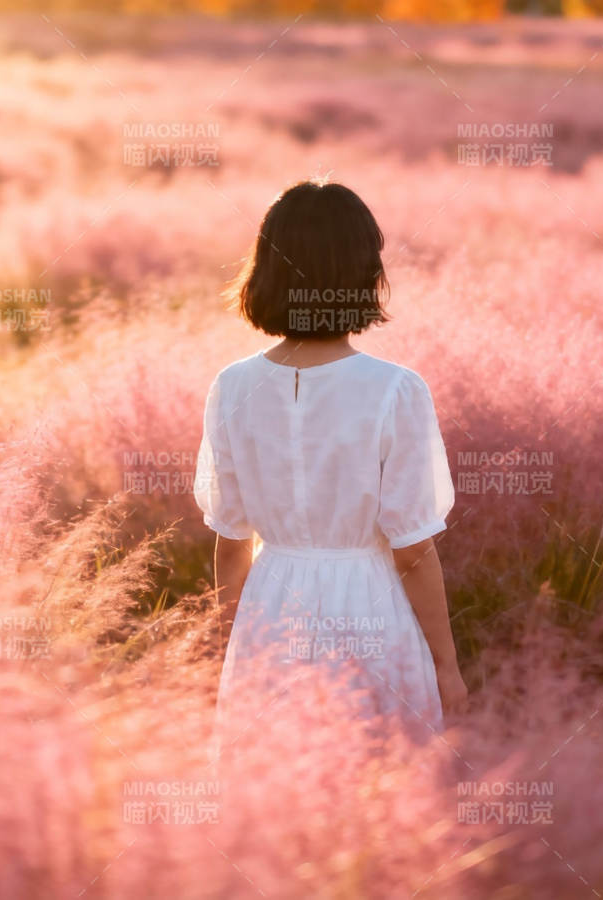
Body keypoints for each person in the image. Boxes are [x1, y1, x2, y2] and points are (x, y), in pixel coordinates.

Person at [194, 179, 466, 771]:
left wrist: (224, 647)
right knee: (378, 788)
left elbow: (231, 539)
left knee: (271, 789)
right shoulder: (395, 389)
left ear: (265, 269)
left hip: (269, 610)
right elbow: (413, 548)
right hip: (370, 607)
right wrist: (446, 665)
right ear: (363, 273)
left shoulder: (232, 386)